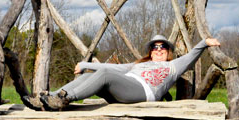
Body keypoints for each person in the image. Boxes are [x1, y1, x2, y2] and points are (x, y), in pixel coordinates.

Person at [31, 34, 221, 111]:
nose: (159, 49)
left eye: (162, 46)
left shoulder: (173, 66)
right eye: (155, 47)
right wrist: (84, 64)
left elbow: (192, 55)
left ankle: (63, 100)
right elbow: (114, 68)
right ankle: (48, 99)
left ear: (168, 50)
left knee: (105, 75)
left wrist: (205, 43)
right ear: (150, 51)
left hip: (143, 92)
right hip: (125, 87)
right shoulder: (139, 64)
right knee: (91, 75)